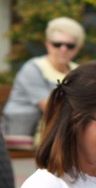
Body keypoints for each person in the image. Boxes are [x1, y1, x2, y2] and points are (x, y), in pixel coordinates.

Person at [2, 17, 83, 145]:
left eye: (70, 45)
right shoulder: (33, 68)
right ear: (48, 45)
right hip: (24, 134)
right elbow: (50, 106)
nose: (63, 49)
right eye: (57, 44)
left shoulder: (77, 71)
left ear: (77, 48)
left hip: (59, 133)